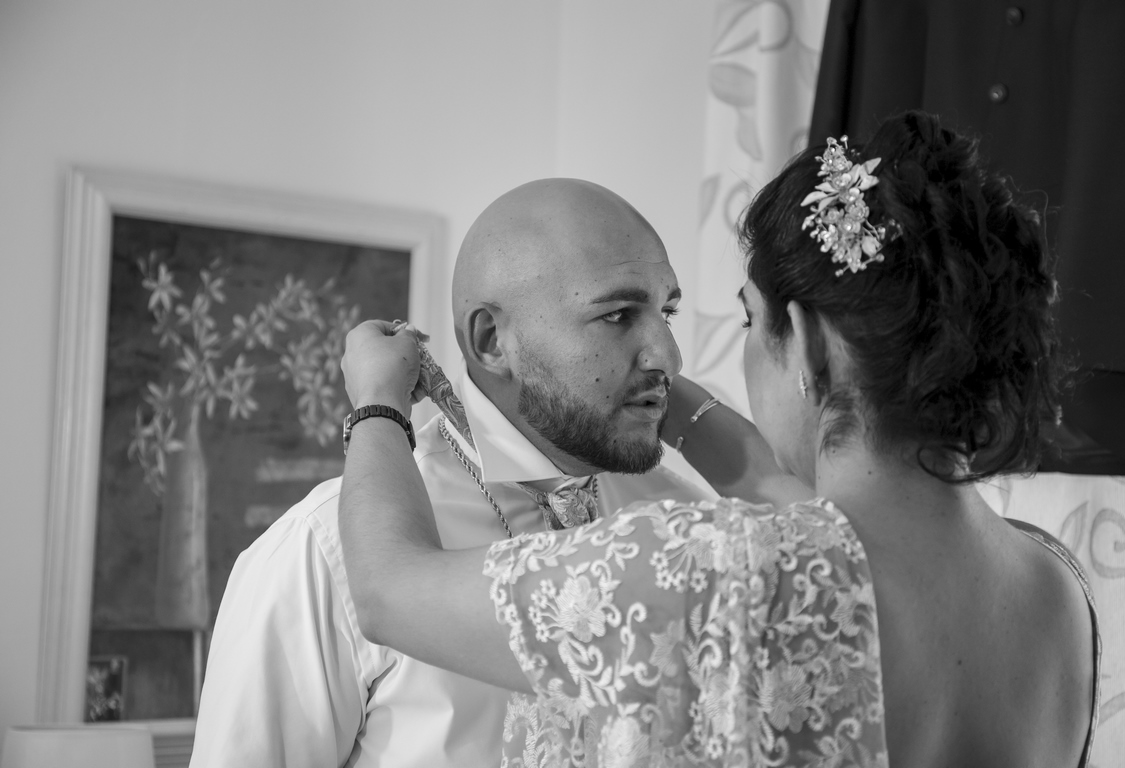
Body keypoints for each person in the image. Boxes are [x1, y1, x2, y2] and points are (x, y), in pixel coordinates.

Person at [338, 111, 1101, 767]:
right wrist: (645, 390)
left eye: (747, 320)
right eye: (620, 316)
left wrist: (377, 401)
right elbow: (783, 493)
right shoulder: (1054, 585)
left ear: (805, 343)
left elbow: (385, 589)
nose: (669, 354)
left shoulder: (716, 567)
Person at [189, 178, 753, 767]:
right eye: (617, 315)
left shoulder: (687, 523)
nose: (670, 356)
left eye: (667, 312)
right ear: (491, 341)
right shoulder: (323, 550)